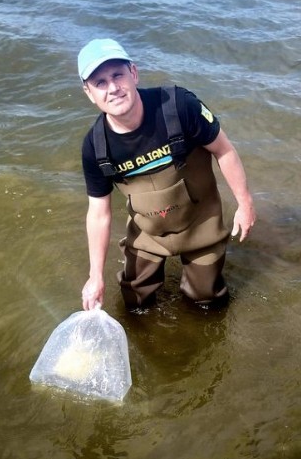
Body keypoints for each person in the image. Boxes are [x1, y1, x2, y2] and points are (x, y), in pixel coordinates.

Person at [76, 39, 256, 312]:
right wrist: (95, 275)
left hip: (200, 223)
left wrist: (245, 204)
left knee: (207, 301)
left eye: (117, 75)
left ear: (133, 73)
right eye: (100, 82)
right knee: (134, 303)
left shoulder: (178, 106)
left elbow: (224, 150)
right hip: (148, 233)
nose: (113, 88)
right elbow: (99, 213)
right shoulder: (96, 146)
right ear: (89, 92)